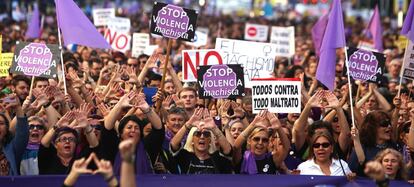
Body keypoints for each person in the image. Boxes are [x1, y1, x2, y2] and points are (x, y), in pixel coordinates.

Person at [170, 108, 233, 174]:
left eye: (206, 134)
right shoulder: (185, 157)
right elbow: (173, 144)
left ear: (210, 140)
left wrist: (214, 128)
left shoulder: (217, 159)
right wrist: (188, 124)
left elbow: (228, 150)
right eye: (198, 134)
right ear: (192, 140)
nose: (202, 137)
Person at [349, 110, 398, 177]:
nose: (389, 126)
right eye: (384, 124)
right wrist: (356, 140)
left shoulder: (393, 147)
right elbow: (353, 168)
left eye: (389, 123)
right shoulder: (363, 146)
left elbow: (401, 172)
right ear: (372, 128)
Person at [0, 93, 29, 176]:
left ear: (6, 129)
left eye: (1, 123)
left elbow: (23, 133)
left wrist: (18, 108)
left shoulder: (12, 148)